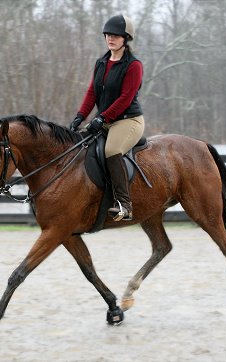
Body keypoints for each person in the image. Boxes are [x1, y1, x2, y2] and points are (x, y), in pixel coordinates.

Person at [70, 14, 144, 222]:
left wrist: (101, 118)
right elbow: (92, 93)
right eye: (108, 35)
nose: (110, 38)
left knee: (112, 150)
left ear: (125, 38)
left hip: (128, 120)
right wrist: (80, 117)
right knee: (81, 146)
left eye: (116, 35)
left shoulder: (133, 65)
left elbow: (125, 98)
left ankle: (124, 204)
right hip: (105, 120)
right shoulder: (101, 62)